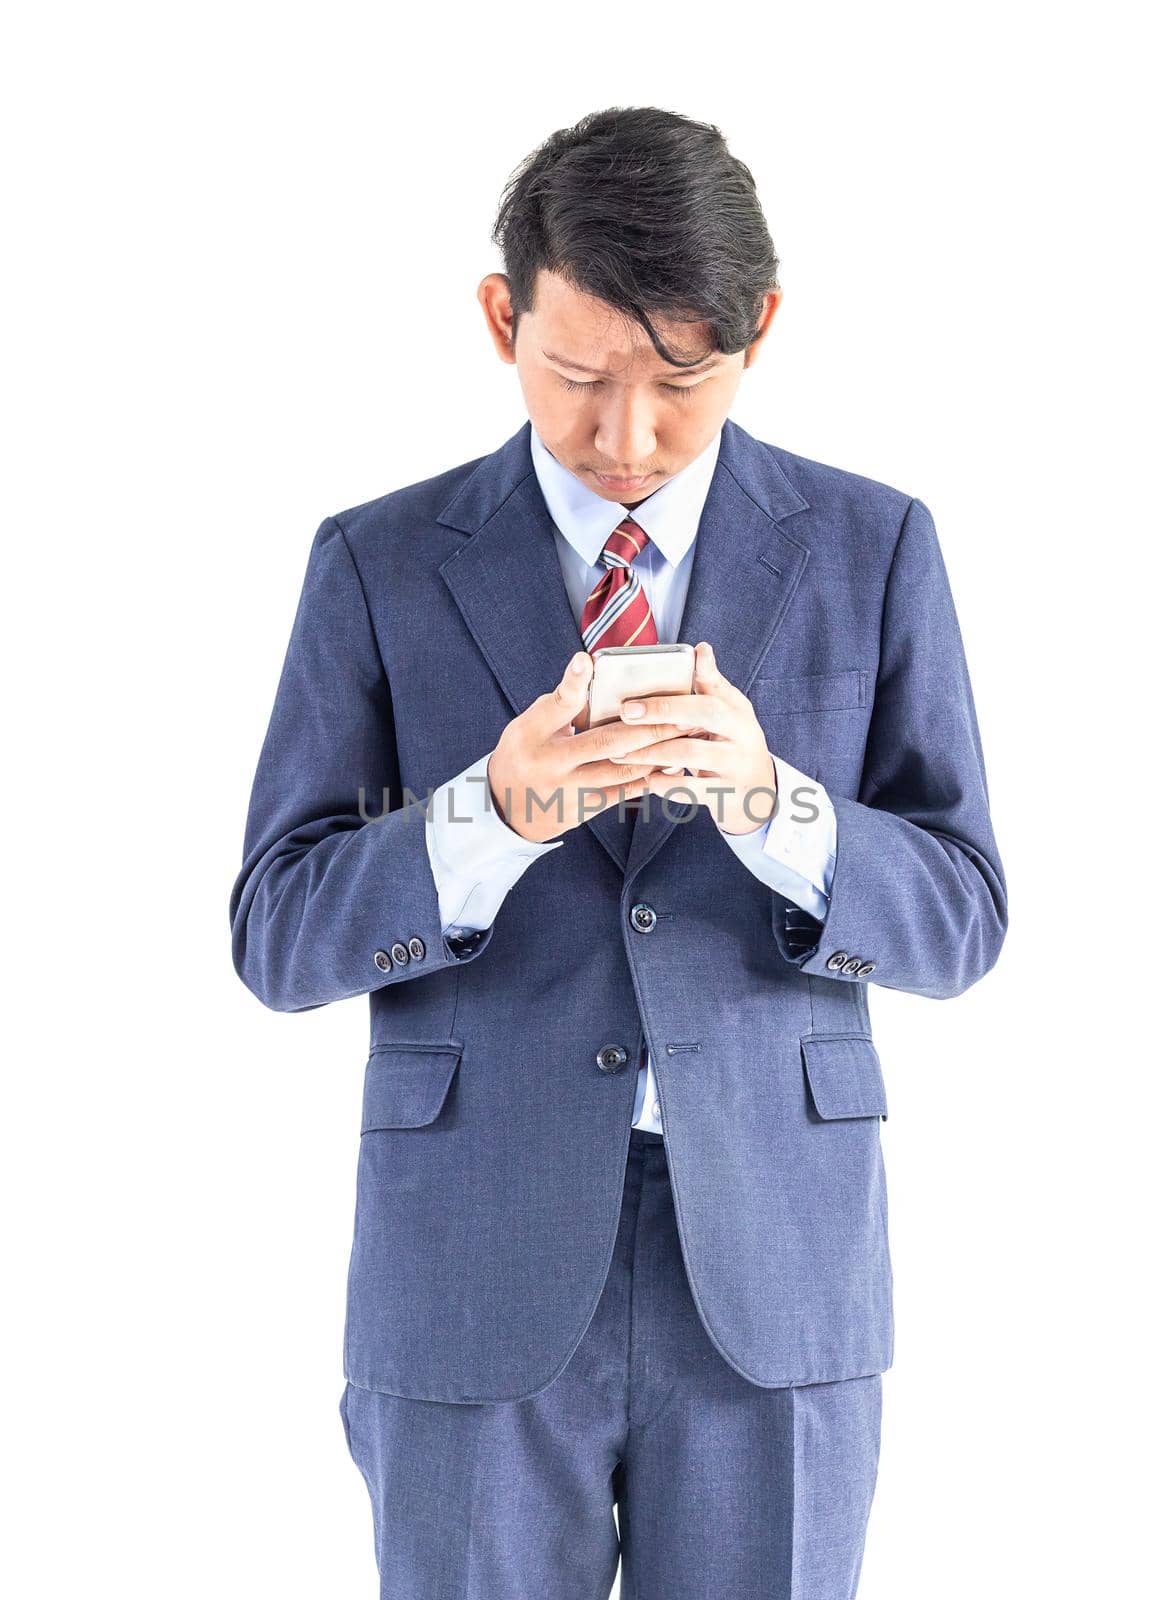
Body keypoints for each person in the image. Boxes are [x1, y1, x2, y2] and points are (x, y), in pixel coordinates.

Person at [229, 104, 1008, 1599]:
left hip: (774, 1262)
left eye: (679, 380)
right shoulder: (377, 562)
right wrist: (487, 817)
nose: (627, 437)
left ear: (759, 328)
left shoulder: (873, 546)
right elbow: (277, 932)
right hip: (471, 1256)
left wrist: (776, 806)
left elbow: (962, 917)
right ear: (499, 317)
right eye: (576, 377)